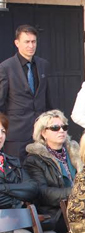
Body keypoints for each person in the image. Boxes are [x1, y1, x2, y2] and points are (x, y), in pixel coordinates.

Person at [24, 110, 83, 233]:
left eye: (64, 127)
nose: (61, 131)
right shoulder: (34, 160)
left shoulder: (76, 152)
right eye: (55, 128)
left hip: (81, 207)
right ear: (43, 133)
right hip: (56, 214)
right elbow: (43, 193)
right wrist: (77, 192)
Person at [0, 25, 51, 162]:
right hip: (16, 136)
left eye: (33, 42)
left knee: (41, 171)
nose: (31, 46)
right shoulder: (6, 68)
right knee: (17, 171)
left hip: (40, 134)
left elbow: (47, 99)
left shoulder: (43, 65)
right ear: (17, 43)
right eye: (27, 42)